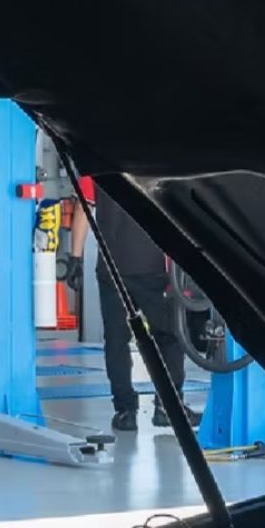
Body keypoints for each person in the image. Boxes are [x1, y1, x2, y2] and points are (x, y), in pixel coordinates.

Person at [70, 181, 194, 431]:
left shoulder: (94, 167)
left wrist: (75, 257)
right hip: (154, 270)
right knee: (169, 336)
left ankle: (125, 411)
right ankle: (167, 407)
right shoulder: (154, 164)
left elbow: (83, 209)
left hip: (112, 269)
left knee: (116, 342)